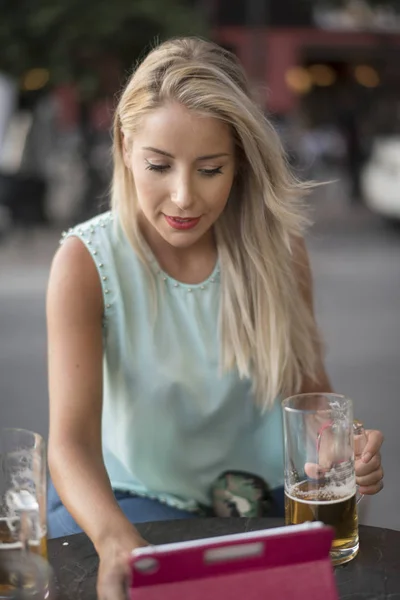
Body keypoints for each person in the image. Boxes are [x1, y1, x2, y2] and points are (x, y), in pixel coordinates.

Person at [46, 37, 384, 599]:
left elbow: (310, 396)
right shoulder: (85, 262)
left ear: (240, 163)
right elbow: (70, 444)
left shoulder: (280, 250)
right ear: (126, 146)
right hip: (134, 502)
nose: (182, 197)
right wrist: (113, 538)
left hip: (268, 503)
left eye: (209, 169)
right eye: (159, 165)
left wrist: (341, 447)